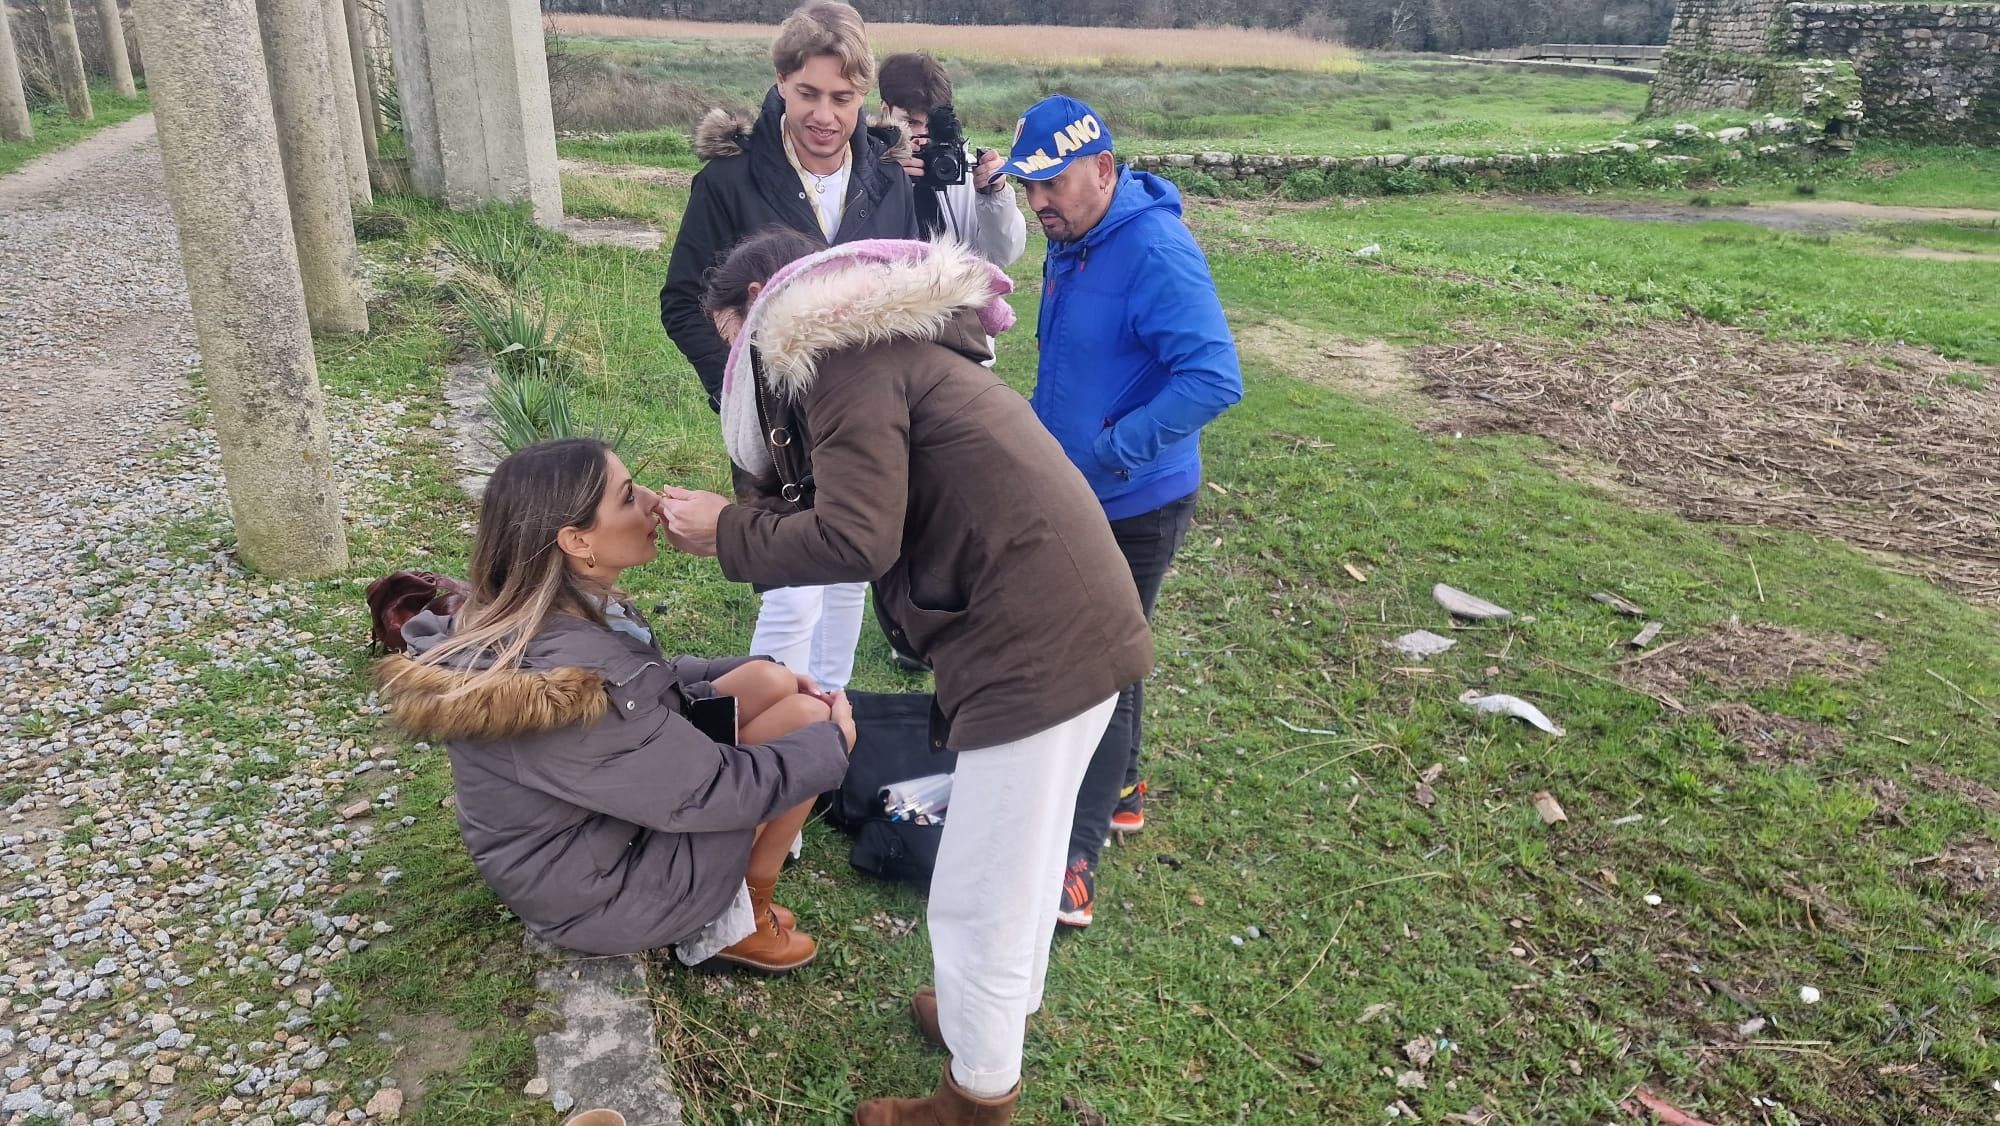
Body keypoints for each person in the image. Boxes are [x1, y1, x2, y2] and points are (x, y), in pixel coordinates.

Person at [656, 230, 1152, 1125]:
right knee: (1029, 859)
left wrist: (726, 528)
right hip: (1074, 617)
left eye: (739, 348)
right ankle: (988, 1020)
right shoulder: (882, 348)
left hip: (1033, 643)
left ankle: (975, 1098)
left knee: (981, 892)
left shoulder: (843, 363)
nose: (744, 376)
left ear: (772, 303)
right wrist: (755, 505)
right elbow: (843, 504)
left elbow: (856, 539)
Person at [372, 438, 853, 973]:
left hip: (597, 832)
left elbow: (650, 683)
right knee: (810, 725)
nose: (654, 501)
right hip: (601, 895)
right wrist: (831, 744)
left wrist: (771, 675)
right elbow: (710, 791)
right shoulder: (569, 685)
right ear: (577, 541)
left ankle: (742, 894)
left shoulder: (547, 610)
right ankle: (736, 924)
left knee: (770, 680)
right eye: (628, 497)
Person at [1002, 95, 1244, 928]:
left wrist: (1108, 451)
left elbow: (1214, 378)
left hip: (1135, 501)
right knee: (1116, 644)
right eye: (1028, 188)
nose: (1038, 205)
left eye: (1053, 185)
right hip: (1073, 491)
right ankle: (1127, 786)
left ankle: (1077, 854)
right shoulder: (1071, 245)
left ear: (1104, 169)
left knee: (1100, 662)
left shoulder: (1154, 250)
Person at [658, 0, 917, 699]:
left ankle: (825, 722)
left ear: (865, 94)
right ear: (780, 81)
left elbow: (910, 291)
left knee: (850, 568)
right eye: (807, 94)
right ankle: (768, 730)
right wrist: (741, 389)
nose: (825, 115)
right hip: (776, 425)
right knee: (792, 583)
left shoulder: (891, 179)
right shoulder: (729, 182)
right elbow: (683, 300)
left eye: (843, 96)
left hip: (863, 416)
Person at [877, 52, 1026, 269]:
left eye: (933, 124)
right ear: (885, 111)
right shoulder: (862, 170)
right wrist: (885, 181)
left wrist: (994, 195)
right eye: (911, 122)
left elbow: (1000, 255)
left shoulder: (961, 170)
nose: (923, 136)